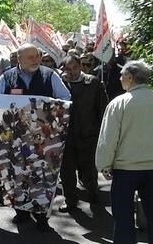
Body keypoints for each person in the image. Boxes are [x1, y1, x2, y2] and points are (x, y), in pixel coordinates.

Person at [0, 43, 70, 232]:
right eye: (31, 57)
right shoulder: (6, 77)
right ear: (19, 59)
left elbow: (65, 99)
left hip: (43, 139)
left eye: (37, 56)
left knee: (42, 177)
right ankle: (22, 211)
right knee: (18, 176)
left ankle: (42, 215)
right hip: (15, 139)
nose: (36, 60)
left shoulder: (50, 75)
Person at [96, 60, 153, 244]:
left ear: (130, 77)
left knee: (123, 219)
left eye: (122, 75)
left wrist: (104, 165)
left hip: (126, 170)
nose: (120, 78)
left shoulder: (119, 103)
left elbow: (108, 139)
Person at [58, 55, 108, 213]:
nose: (72, 72)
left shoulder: (93, 82)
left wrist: (103, 133)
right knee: (67, 171)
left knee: (89, 169)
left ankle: (93, 192)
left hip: (88, 134)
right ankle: (70, 200)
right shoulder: (61, 84)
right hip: (66, 136)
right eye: (68, 69)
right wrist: (62, 82)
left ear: (81, 66)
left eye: (75, 68)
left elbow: (103, 109)